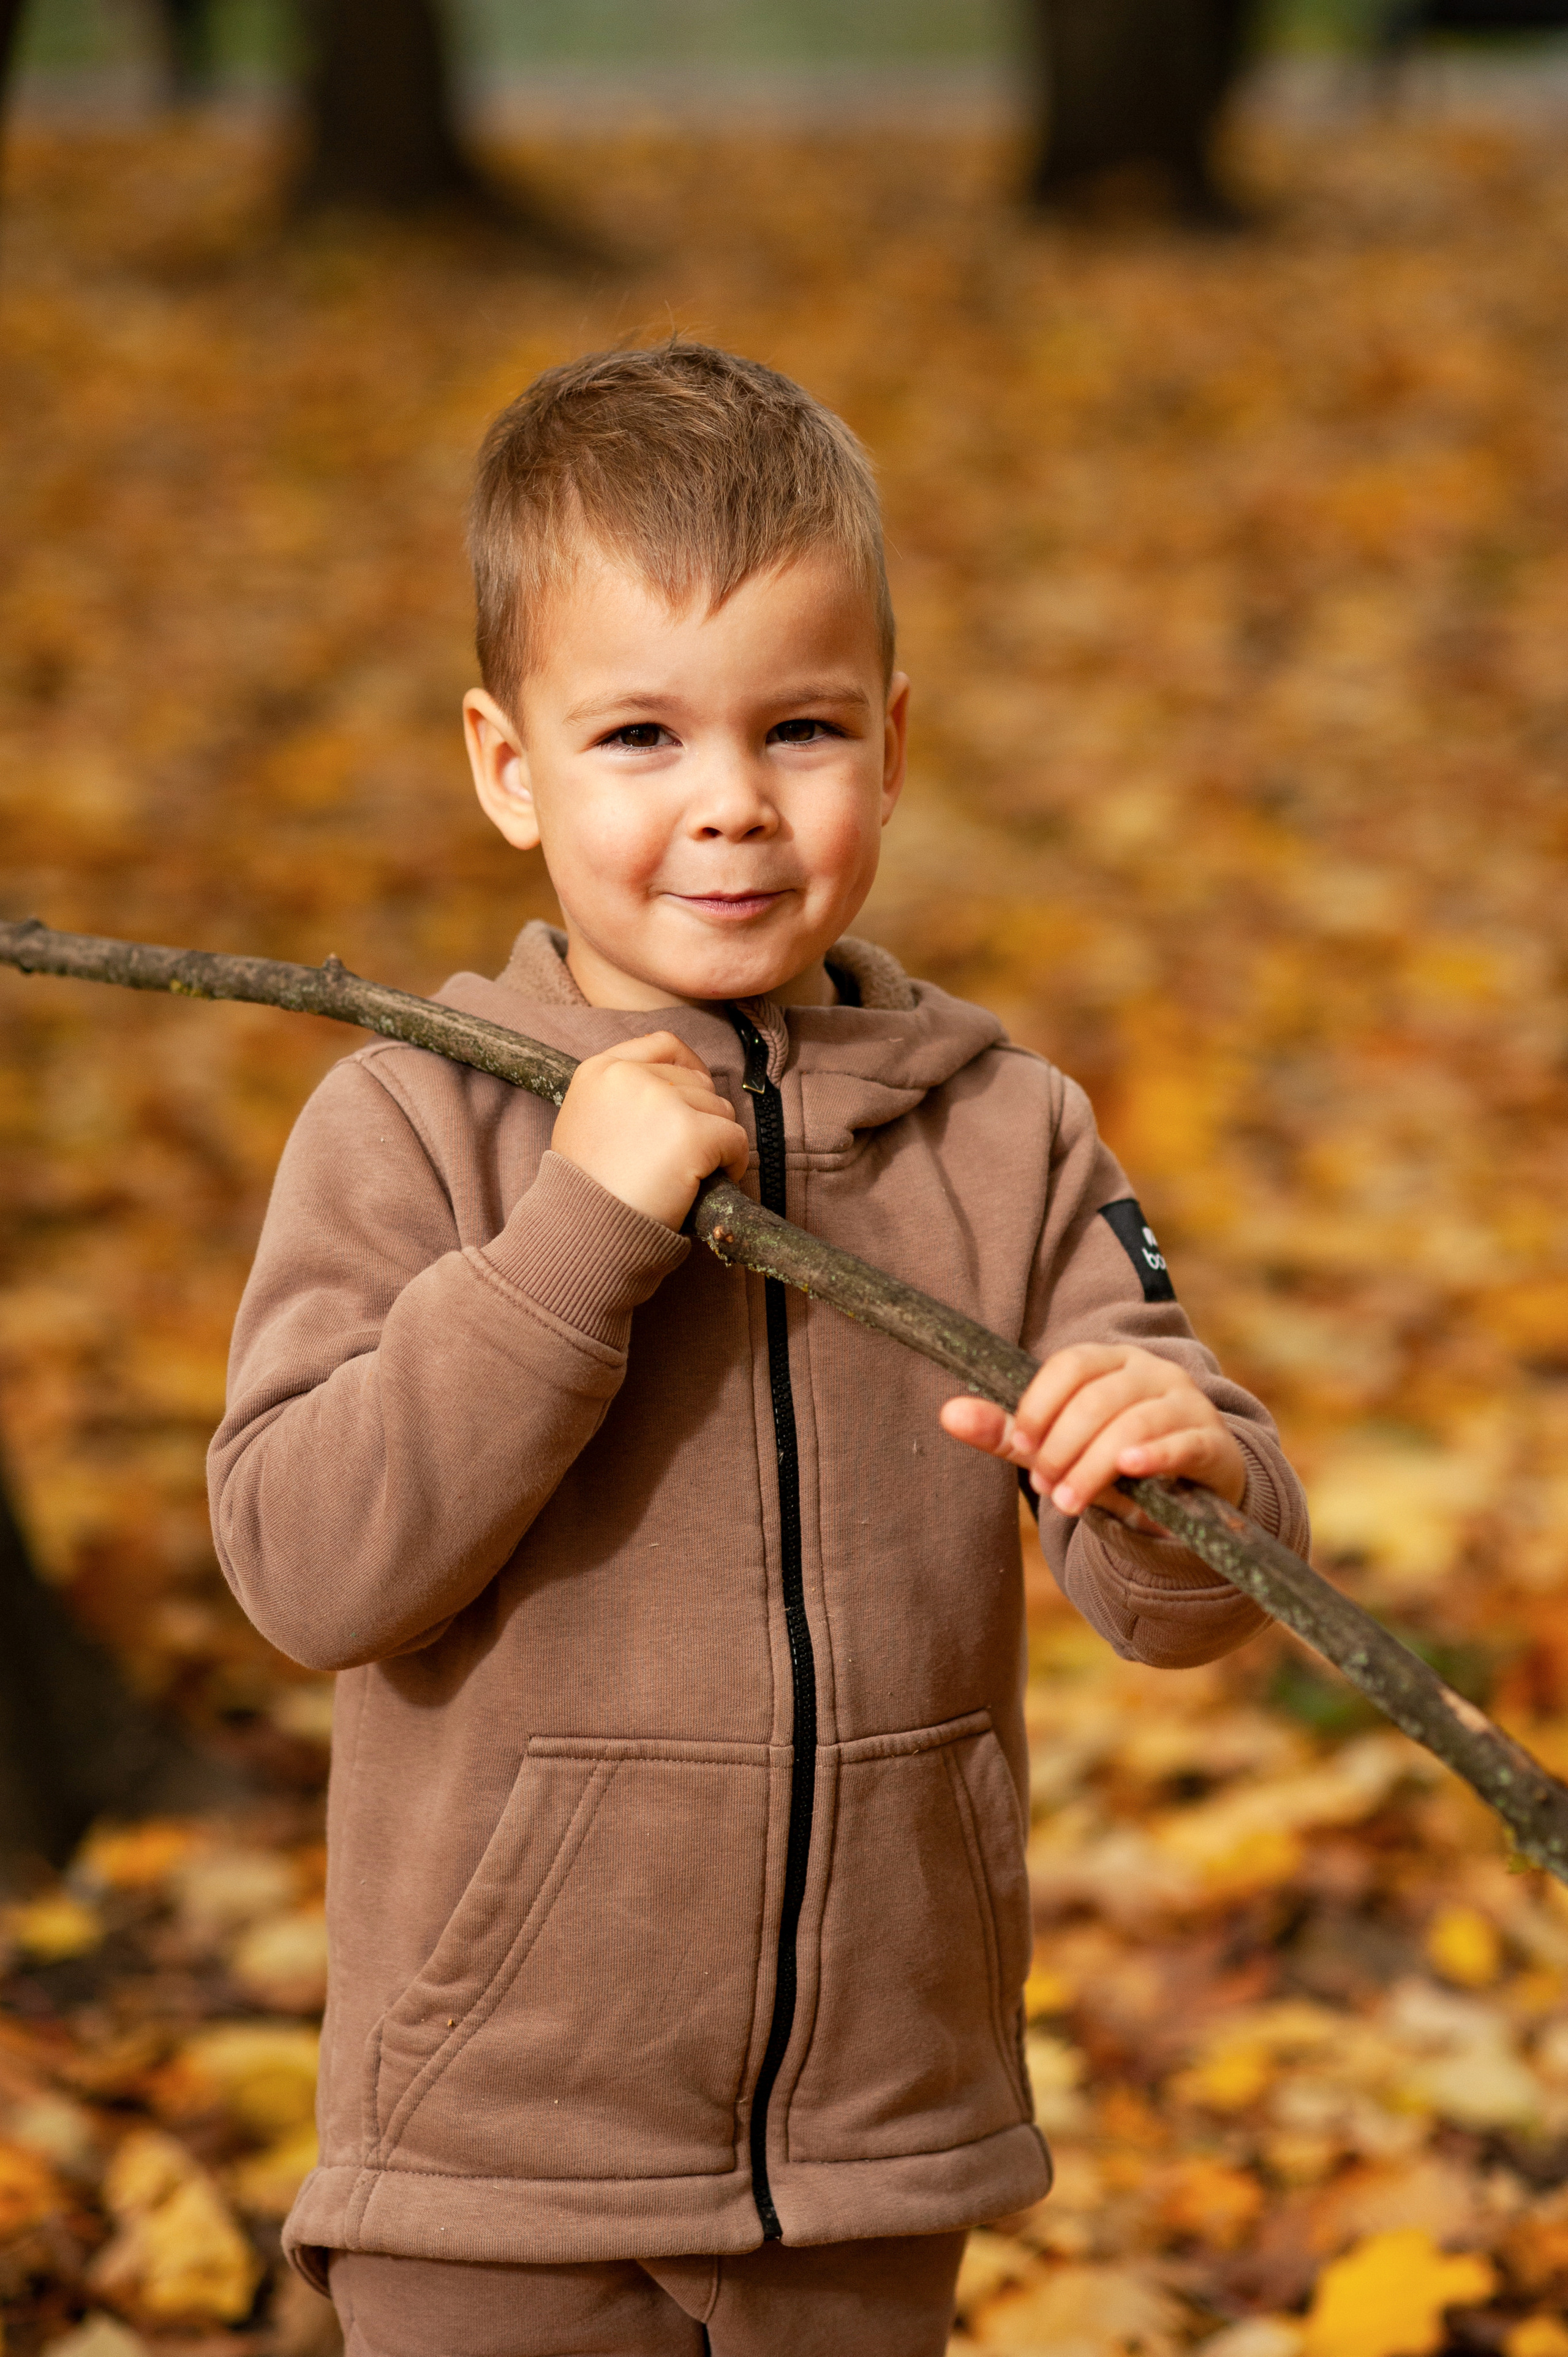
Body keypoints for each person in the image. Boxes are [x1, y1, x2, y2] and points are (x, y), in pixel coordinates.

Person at [208, 341, 1308, 2357]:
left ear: (889, 740)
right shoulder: (416, 1124)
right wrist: (576, 1241)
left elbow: (1178, 1594)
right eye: (638, 734)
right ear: (506, 763)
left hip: (881, 2141)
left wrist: (1191, 1467)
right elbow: (304, 1560)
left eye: (798, 728)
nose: (731, 807)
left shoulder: (1003, 1129)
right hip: (495, 2151)